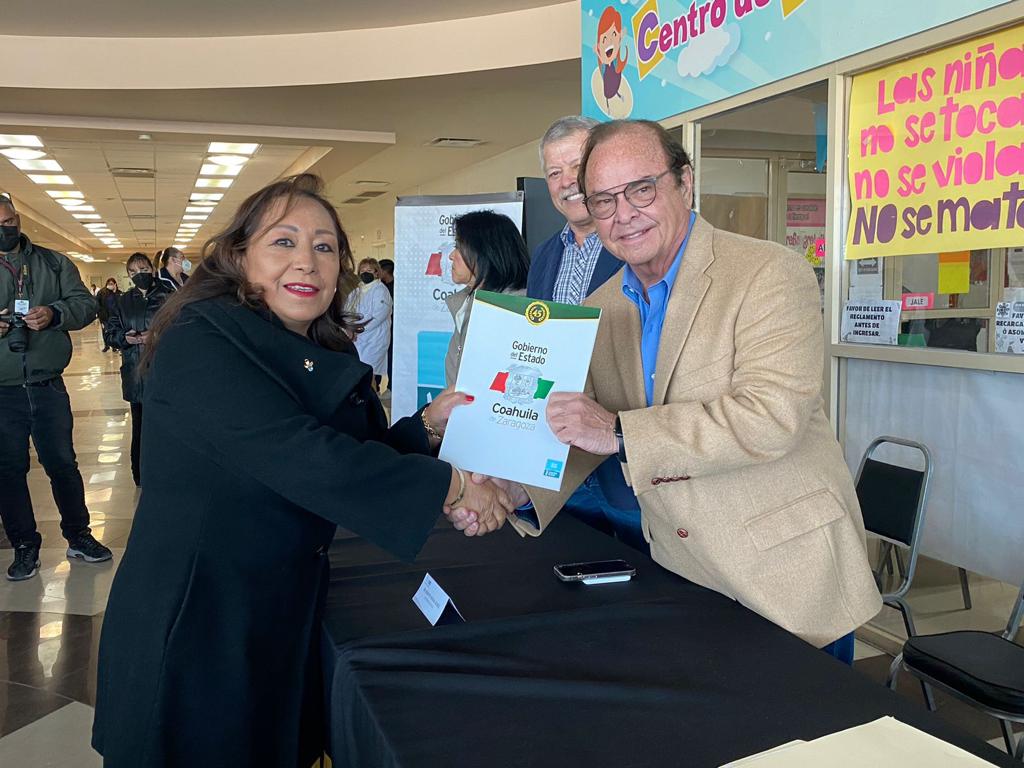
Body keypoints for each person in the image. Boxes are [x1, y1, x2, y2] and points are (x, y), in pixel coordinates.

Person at [92, 174, 511, 767]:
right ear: (239, 255)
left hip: (278, 604)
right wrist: (456, 486)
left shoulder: (318, 343)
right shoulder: (200, 336)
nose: (307, 262)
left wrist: (428, 425)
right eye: (283, 242)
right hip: (200, 619)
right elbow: (297, 452)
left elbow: (352, 448)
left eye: (324, 246)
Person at [493, 120, 881, 663]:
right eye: (603, 200)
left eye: (641, 189)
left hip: (784, 575)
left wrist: (618, 432)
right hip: (680, 570)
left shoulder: (769, 272)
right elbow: (585, 430)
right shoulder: (603, 306)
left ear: (685, 183)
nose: (623, 213)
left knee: (808, 719)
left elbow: (770, 417)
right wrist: (517, 491)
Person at [528, 116, 639, 549]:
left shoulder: (639, 247)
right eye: (554, 172)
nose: (567, 182)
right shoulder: (544, 255)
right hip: (563, 464)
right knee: (574, 566)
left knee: (646, 573)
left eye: (577, 165)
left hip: (626, 465)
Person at [0, 194, 111, 581]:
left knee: (63, 464)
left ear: (18, 219)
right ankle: (24, 545)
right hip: (3, 391)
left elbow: (86, 305)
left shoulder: (53, 262)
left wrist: (55, 313)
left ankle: (79, 535)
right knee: (8, 470)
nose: (5, 229)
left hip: (47, 385)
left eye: (9, 221)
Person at [103, 252, 170, 487]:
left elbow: (184, 328)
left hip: (164, 371)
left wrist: (157, 335)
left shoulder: (168, 296)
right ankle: (140, 473)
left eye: (143, 270)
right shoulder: (123, 301)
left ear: (152, 269)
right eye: (132, 272)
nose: (138, 275)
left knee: (166, 425)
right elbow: (110, 333)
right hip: (135, 370)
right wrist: (125, 338)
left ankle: (167, 470)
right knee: (140, 426)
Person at [444, 211, 529, 386]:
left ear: (485, 252)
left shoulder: (516, 312)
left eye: (458, 246)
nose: (451, 255)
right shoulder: (466, 303)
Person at [348, 257, 392, 391]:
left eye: (369, 270)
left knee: (369, 371)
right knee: (360, 370)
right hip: (357, 338)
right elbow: (347, 311)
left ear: (376, 272)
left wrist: (360, 329)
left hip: (375, 338)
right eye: (362, 270)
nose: (365, 273)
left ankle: (372, 398)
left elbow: (379, 315)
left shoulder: (380, 290)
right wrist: (349, 328)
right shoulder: (356, 291)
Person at [378, 257, 395, 383]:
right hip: (380, 328)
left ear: (384, 271)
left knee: (391, 356)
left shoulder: (397, 288)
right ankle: (376, 385)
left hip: (393, 328)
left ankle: (390, 386)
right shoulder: (379, 287)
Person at [95, 277, 120, 352]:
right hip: (104, 316)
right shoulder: (102, 292)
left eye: (112, 284)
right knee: (105, 331)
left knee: (114, 331)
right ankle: (106, 345)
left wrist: (115, 292)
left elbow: (120, 302)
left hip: (115, 316)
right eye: (109, 284)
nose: (110, 285)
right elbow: (97, 303)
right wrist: (99, 313)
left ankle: (114, 346)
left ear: (115, 284)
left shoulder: (118, 293)